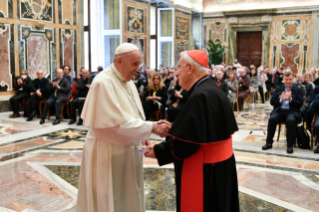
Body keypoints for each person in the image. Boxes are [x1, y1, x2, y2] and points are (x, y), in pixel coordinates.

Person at [76, 43, 171, 212]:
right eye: (134, 64)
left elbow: (132, 114)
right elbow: (115, 123)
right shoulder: (103, 82)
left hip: (127, 149)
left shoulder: (128, 82)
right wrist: (151, 127)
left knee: (127, 197)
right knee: (111, 198)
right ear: (119, 61)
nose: (138, 69)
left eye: (139, 64)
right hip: (107, 152)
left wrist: (144, 133)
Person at [145, 50, 239, 212]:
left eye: (179, 67)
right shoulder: (211, 89)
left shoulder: (200, 95)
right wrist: (174, 129)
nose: (176, 72)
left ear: (190, 68)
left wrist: (158, 151)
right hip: (221, 167)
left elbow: (187, 145)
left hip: (206, 171)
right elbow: (200, 130)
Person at [262, 71, 303, 154]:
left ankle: (289, 146)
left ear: (293, 79)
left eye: (290, 79)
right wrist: (281, 100)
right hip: (279, 110)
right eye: (286, 79)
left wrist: (291, 99)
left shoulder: (298, 90)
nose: (288, 81)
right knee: (272, 119)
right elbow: (272, 102)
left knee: (291, 121)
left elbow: (300, 103)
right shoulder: (278, 88)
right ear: (283, 80)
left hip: (291, 111)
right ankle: (269, 143)